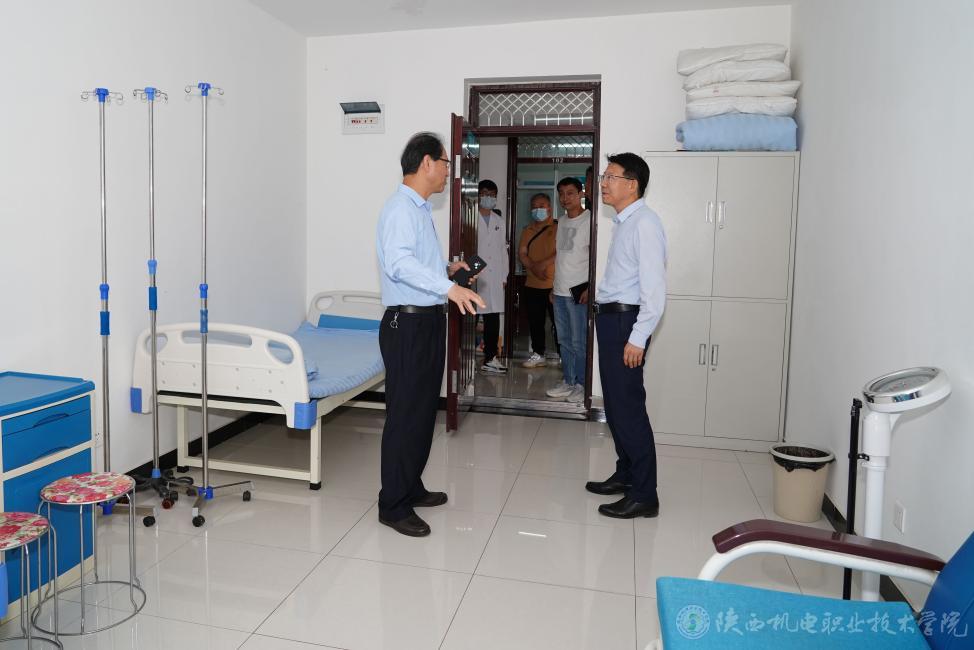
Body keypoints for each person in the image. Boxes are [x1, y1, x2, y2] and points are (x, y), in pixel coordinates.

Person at [375, 132, 485, 537]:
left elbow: (418, 263)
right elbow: (399, 264)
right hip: (407, 325)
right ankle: (393, 505)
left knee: (422, 414)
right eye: (445, 163)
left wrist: (447, 270)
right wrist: (449, 288)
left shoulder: (419, 210)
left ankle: (411, 486)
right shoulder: (400, 209)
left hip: (426, 321)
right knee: (405, 416)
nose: (447, 172)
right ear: (426, 163)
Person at [587, 152, 667, 520]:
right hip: (613, 321)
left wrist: (638, 337)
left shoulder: (645, 224)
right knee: (616, 407)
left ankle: (644, 494)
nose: (603, 183)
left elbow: (654, 291)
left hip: (626, 325)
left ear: (632, 185)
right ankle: (626, 473)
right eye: (604, 177)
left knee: (629, 409)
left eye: (611, 177)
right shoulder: (625, 222)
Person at [547, 177, 590, 404]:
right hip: (560, 290)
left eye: (570, 193)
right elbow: (561, 258)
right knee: (563, 340)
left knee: (578, 342)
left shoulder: (590, 220)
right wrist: (554, 287)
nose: (565, 198)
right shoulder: (562, 221)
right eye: (562, 194)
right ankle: (569, 381)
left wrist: (590, 287)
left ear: (581, 194)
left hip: (578, 292)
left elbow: (596, 259)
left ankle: (582, 384)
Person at [517, 193, 557, 368]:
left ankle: (564, 355)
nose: (537, 209)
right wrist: (534, 268)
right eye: (534, 206)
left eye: (541, 206)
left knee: (559, 324)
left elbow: (561, 252)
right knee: (535, 322)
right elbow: (522, 253)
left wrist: (542, 265)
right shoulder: (527, 230)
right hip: (532, 284)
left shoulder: (558, 227)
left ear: (549, 208)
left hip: (554, 285)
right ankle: (538, 353)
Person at [476, 179, 509, 373]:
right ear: (478, 195)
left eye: (492, 195)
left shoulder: (499, 221)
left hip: (495, 275)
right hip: (475, 275)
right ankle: (463, 357)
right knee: (470, 317)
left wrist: (503, 276)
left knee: (492, 318)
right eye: (485, 193)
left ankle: (490, 358)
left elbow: (502, 250)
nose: (489, 198)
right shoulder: (470, 216)